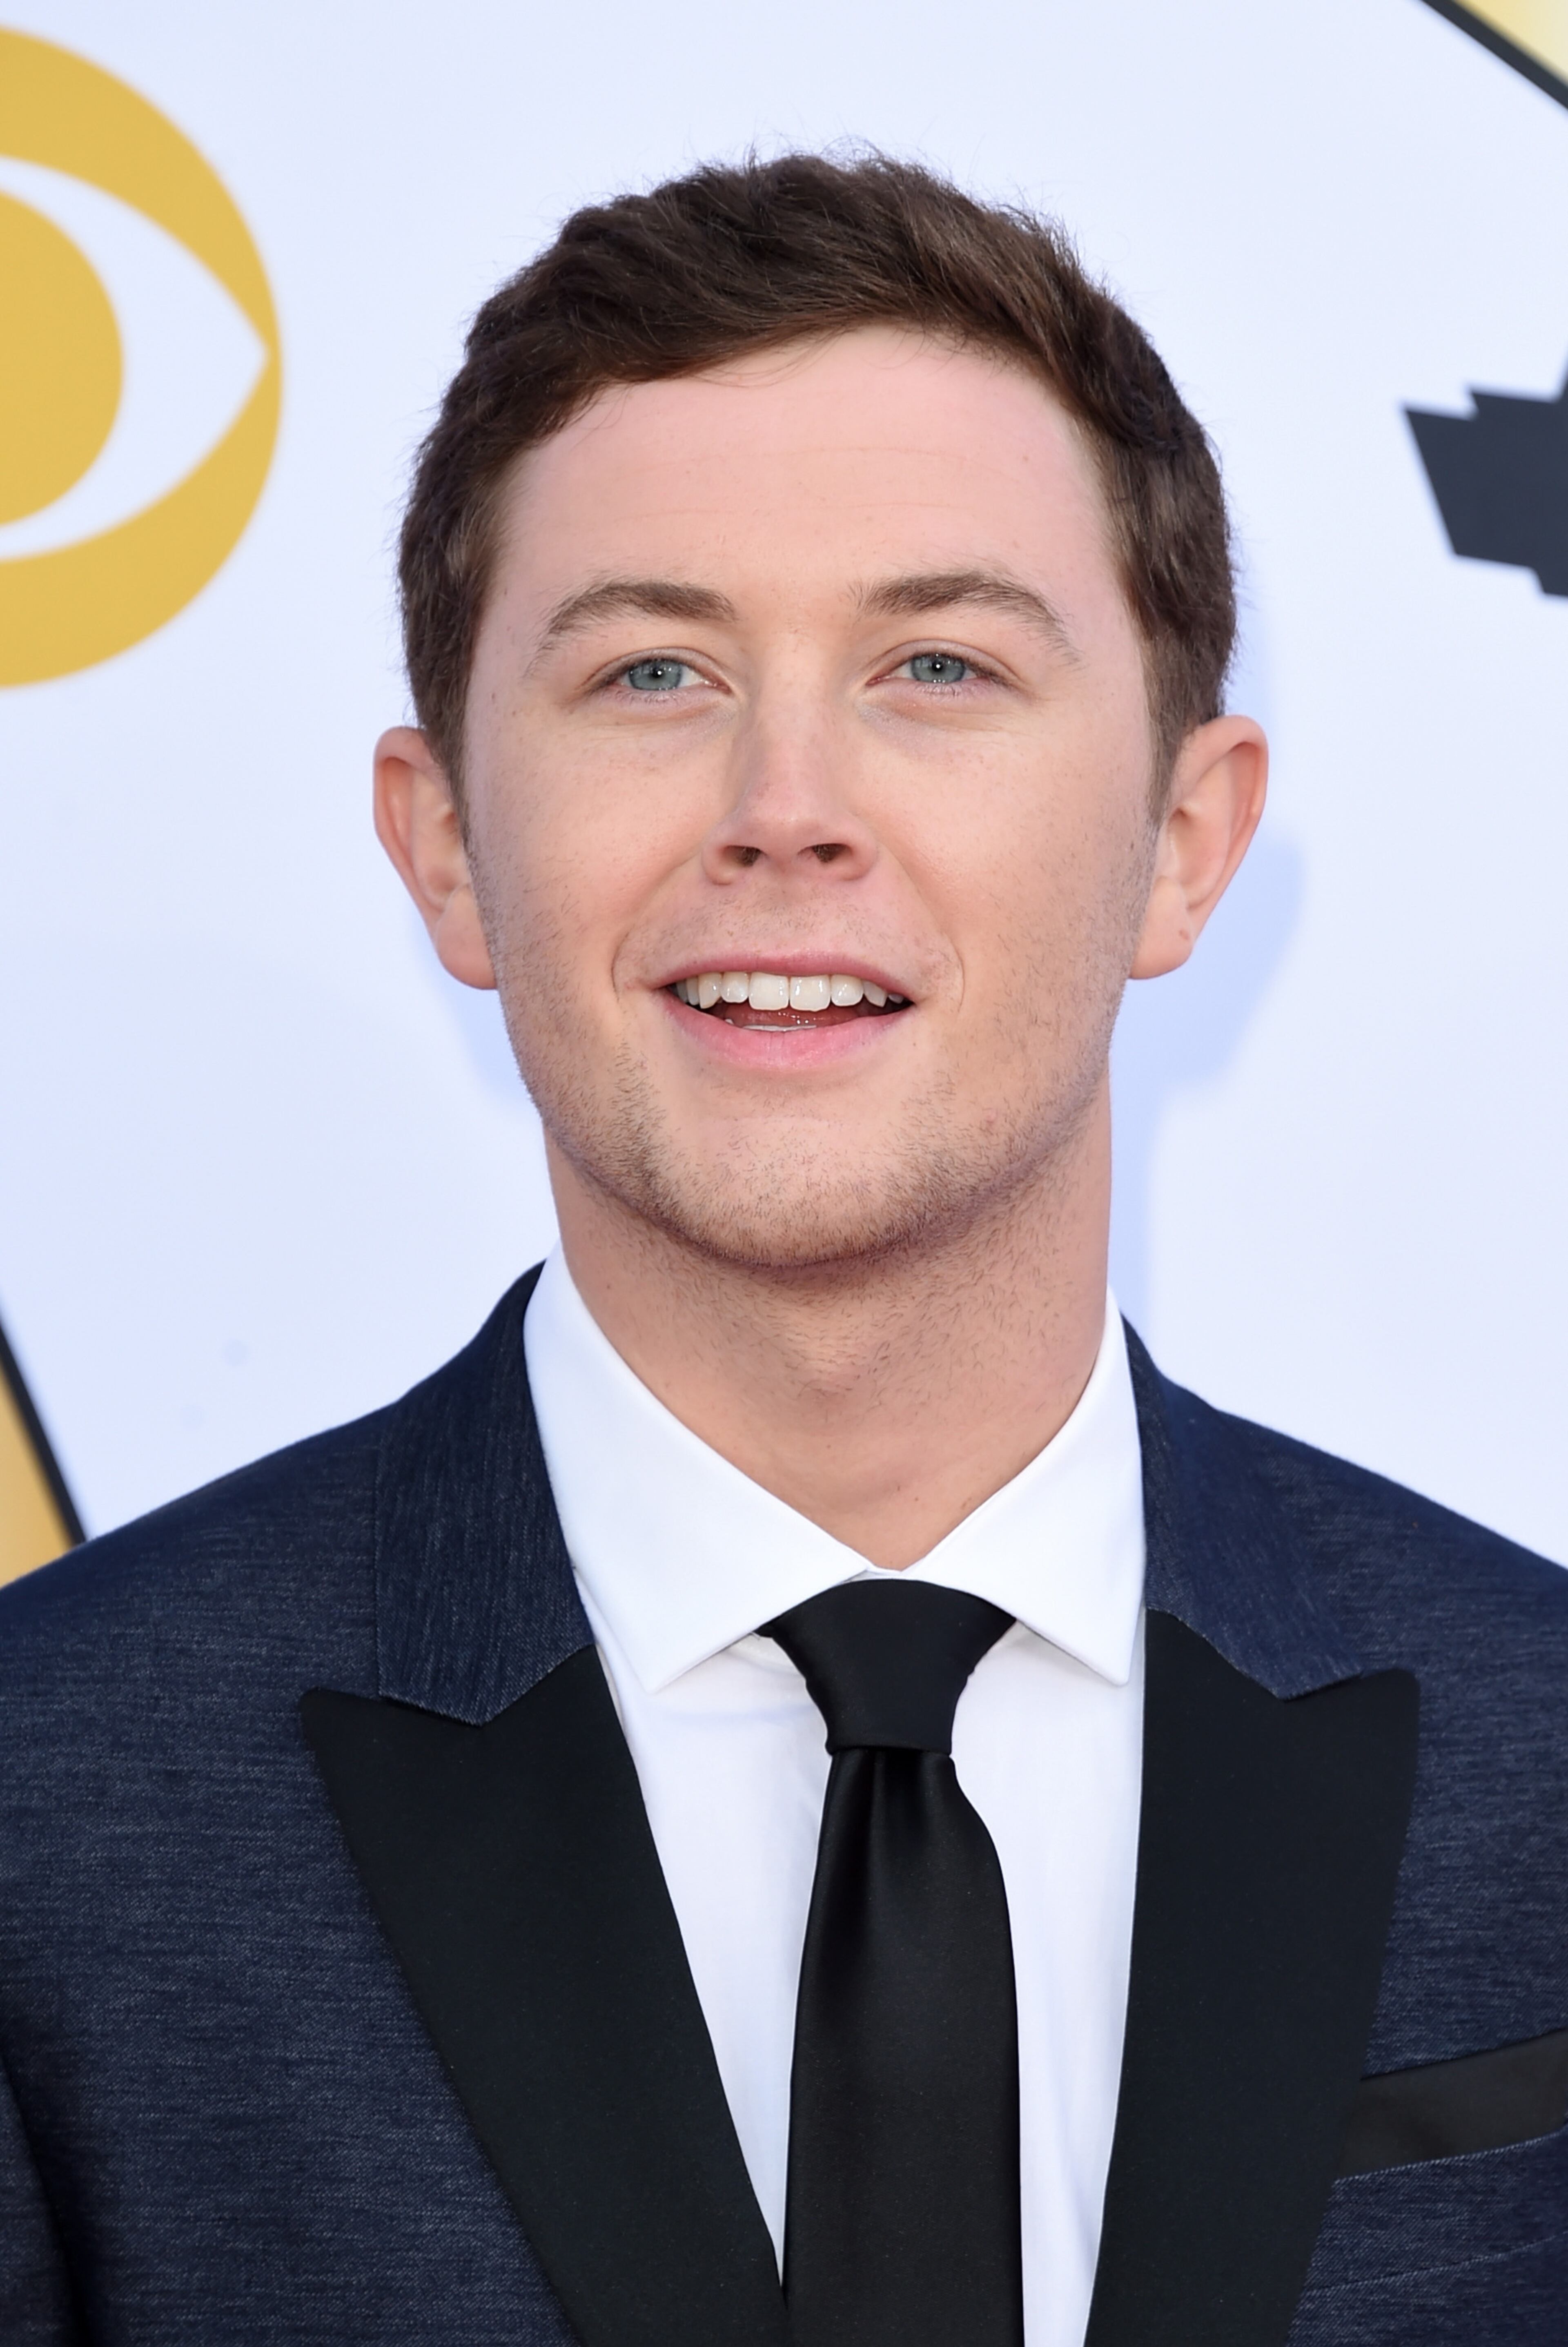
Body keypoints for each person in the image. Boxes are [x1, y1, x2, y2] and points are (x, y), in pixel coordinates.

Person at [0, 153, 1563, 2347]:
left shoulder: (1549, 1749)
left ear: (1180, 844)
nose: (788, 799)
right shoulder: (43, 1807)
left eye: (936, 661)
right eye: (653, 671)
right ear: (446, 846)